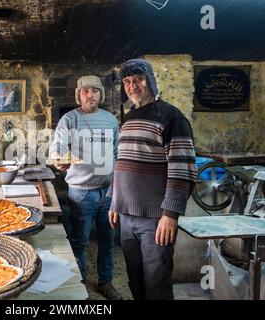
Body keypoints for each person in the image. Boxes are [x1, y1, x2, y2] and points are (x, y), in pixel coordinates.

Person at [107, 59, 197, 300]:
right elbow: (121, 164)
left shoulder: (171, 118)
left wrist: (170, 215)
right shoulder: (129, 119)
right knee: (135, 282)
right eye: (127, 82)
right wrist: (115, 201)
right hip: (126, 218)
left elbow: (183, 170)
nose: (132, 86)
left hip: (155, 219)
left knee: (156, 286)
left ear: (151, 81)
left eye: (138, 79)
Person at [49, 75, 122, 300]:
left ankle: (105, 283)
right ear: (79, 95)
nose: (90, 95)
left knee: (107, 240)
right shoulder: (70, 119)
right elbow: (56, 149)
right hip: (81, 192)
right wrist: (59, 159)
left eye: (95, 91)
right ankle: (80, 285)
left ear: (101, 94)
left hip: (108, 190)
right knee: (79, 241)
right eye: (85, 91)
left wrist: (119, 184)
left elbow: (118, 153)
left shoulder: (111, 120)